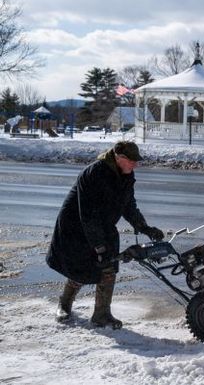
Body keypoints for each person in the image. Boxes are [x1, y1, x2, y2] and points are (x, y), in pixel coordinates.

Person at [46, 140, 165, 329]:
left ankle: (101, 314)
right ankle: (65, 303)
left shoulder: (126, 174)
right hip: (76, 226)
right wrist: (99, 247)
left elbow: (128, 205)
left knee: (108, 265)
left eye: (136, 161)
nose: (135, 165)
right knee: (81, 267)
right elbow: (88, 214)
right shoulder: (94, 173)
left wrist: (144, 227)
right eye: (132, 161)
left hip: (102, 224)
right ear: (119, 157)